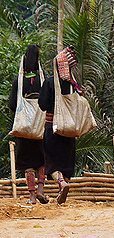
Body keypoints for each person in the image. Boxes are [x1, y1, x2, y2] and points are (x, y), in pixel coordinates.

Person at [38, 46, 79, 204]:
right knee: (66, 160)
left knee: (52, 161)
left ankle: (61, 183)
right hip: (69, 129)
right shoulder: (73, 84)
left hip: (52, 126)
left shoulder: (49, 82)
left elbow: (42, 104)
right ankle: (64, 187)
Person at [8, 44, 49, 204]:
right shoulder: (42, 80)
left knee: (27, 163)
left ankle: (31, 196)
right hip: (40, 127)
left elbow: (12, 104)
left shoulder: (18, 81)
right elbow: (47, 103)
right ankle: (40, 189)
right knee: (42, 159)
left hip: (24, 129)